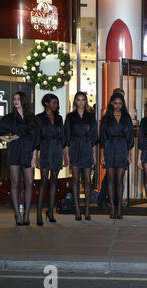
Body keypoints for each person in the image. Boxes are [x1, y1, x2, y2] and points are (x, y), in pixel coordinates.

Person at [0, 92, 38, 226]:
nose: (16, 101)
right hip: (15, 150)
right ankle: (17, 214)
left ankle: (26, 215)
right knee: (15, 182)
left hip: (28, 150)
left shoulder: (31, 117)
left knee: (29, 182)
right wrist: (8, 139)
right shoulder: (10, 117)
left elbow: (36, 139)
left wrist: (34, 157)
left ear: (24, 101)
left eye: (18, 99)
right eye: (14, 99)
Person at [64, 92, 98, 221]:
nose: (81, 102)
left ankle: (88, 210)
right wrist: (66, 156)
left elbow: (94, 137)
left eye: (83, 100)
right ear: (75, 102)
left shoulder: (90, 117)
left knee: (87, 181)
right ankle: (77, 210)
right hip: (74, 149)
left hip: (87, 148)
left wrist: (94, 154)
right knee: (75, 180)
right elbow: (66, 138)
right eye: (78, 100)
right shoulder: (70, 117)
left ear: (86, 101)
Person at [100, 93, 134, 219]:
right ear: (111, 103)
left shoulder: (127, 117)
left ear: (123, 104)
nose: (118, 106)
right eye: (115, 103)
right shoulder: (106, 118)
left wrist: (129, 155)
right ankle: (112, 208)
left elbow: (130, 138)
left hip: (122, 148)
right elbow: (102, 138)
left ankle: (119, 208)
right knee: (110, 179)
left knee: (120, 179)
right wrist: (102, 155)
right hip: (109, 147)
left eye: (120, 103)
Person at [35, 94, 63, 225]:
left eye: (56, 103)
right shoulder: (39, 118)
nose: (55, 105)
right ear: (46, 103)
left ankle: (50, 212)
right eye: (53, 103)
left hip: (57, 150)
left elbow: (62, 137)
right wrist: (36, 156)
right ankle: (39, 214)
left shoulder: (59, 118)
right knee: (43, 182)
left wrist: (64, 154)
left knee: (54, 182)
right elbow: (36, 138)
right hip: (45, 150)